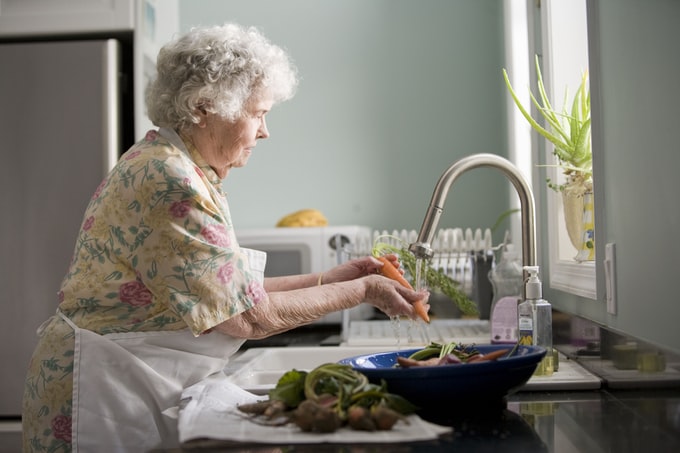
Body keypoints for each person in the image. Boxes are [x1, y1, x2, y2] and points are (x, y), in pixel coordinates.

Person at [21, 23, 428, 452]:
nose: (265, 131)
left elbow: (227, 293)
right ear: (204, 107)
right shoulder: (168, 180)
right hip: (103, 391)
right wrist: (362, 289)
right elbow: (247, 317)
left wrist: (331, 279)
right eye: (257, 114)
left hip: (129, 377)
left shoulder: (181, 168)